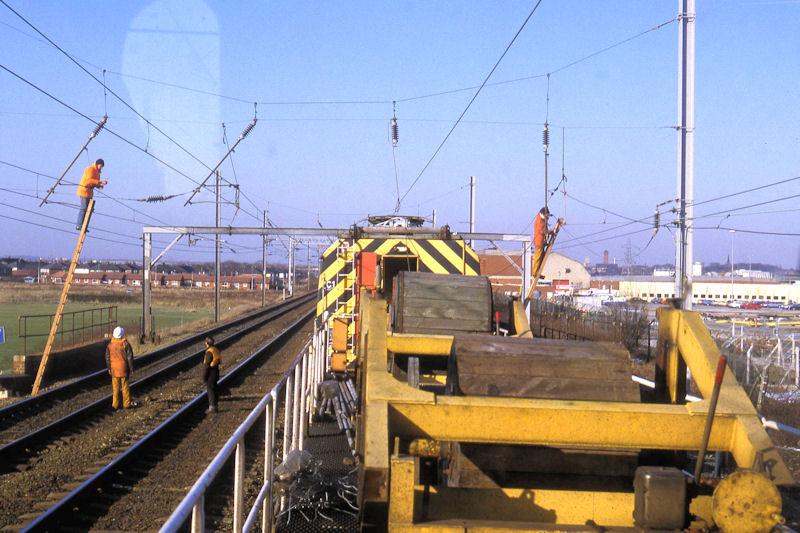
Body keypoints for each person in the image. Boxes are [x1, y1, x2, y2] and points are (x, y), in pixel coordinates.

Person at [106, 326, 134, 410]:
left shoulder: (110, 345)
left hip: (114, 370)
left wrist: (109, 368)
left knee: (115, 388)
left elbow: (107, 358)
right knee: (125, 387)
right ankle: (126, 404)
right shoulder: (125, 344)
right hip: (124, 369)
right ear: (122, 334)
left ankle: (115, 405)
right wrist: (131, 368)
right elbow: (130, 357)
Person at [76, 158, 107, 230]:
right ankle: (79, 225)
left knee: (89, 209)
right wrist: (100, 182)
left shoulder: (97, 173)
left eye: (102, 166)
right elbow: (89, 180)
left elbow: (94, 182)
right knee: (83, 208)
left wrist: (99, 186)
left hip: (89, 193)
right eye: (100, 166)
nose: (101, 167)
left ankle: (84, 226)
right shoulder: (90, 169)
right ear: (97, 164)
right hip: (84, 191)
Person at [202, 336, 221, 413]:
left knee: (210, 390)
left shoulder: (209, 352)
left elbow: (207, 366)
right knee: (215, 388)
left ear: (207, 343)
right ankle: (215, 406)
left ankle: (212, 407)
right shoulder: (215, 349)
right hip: (216, 372)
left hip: (210, 373)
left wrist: (204, 376)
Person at [533, 206, 551, 275]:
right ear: (543, 214)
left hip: (541, 241)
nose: (548, 218)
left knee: (541, 257)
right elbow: (542, 231)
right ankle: (535, 272)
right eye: (547, 216)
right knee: (538, 257)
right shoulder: (539, 221)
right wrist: (549, 232)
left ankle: (538, 271)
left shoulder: (541, 219)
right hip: (539, 242)